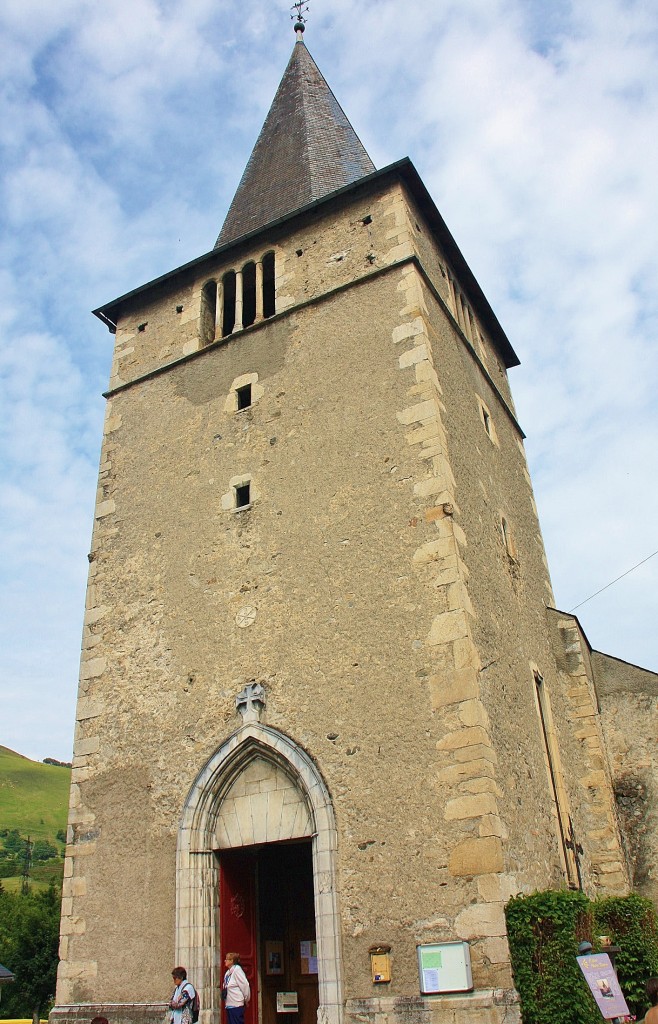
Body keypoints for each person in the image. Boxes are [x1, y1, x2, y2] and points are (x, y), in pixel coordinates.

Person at [223, 952, 250, 1024]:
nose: (225, 961)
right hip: (229, 1004)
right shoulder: (227, 973)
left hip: (236, 1005)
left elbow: (245, 985)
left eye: (227, 959)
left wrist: (246, 999)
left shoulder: (237, 970)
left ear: (232, 961)